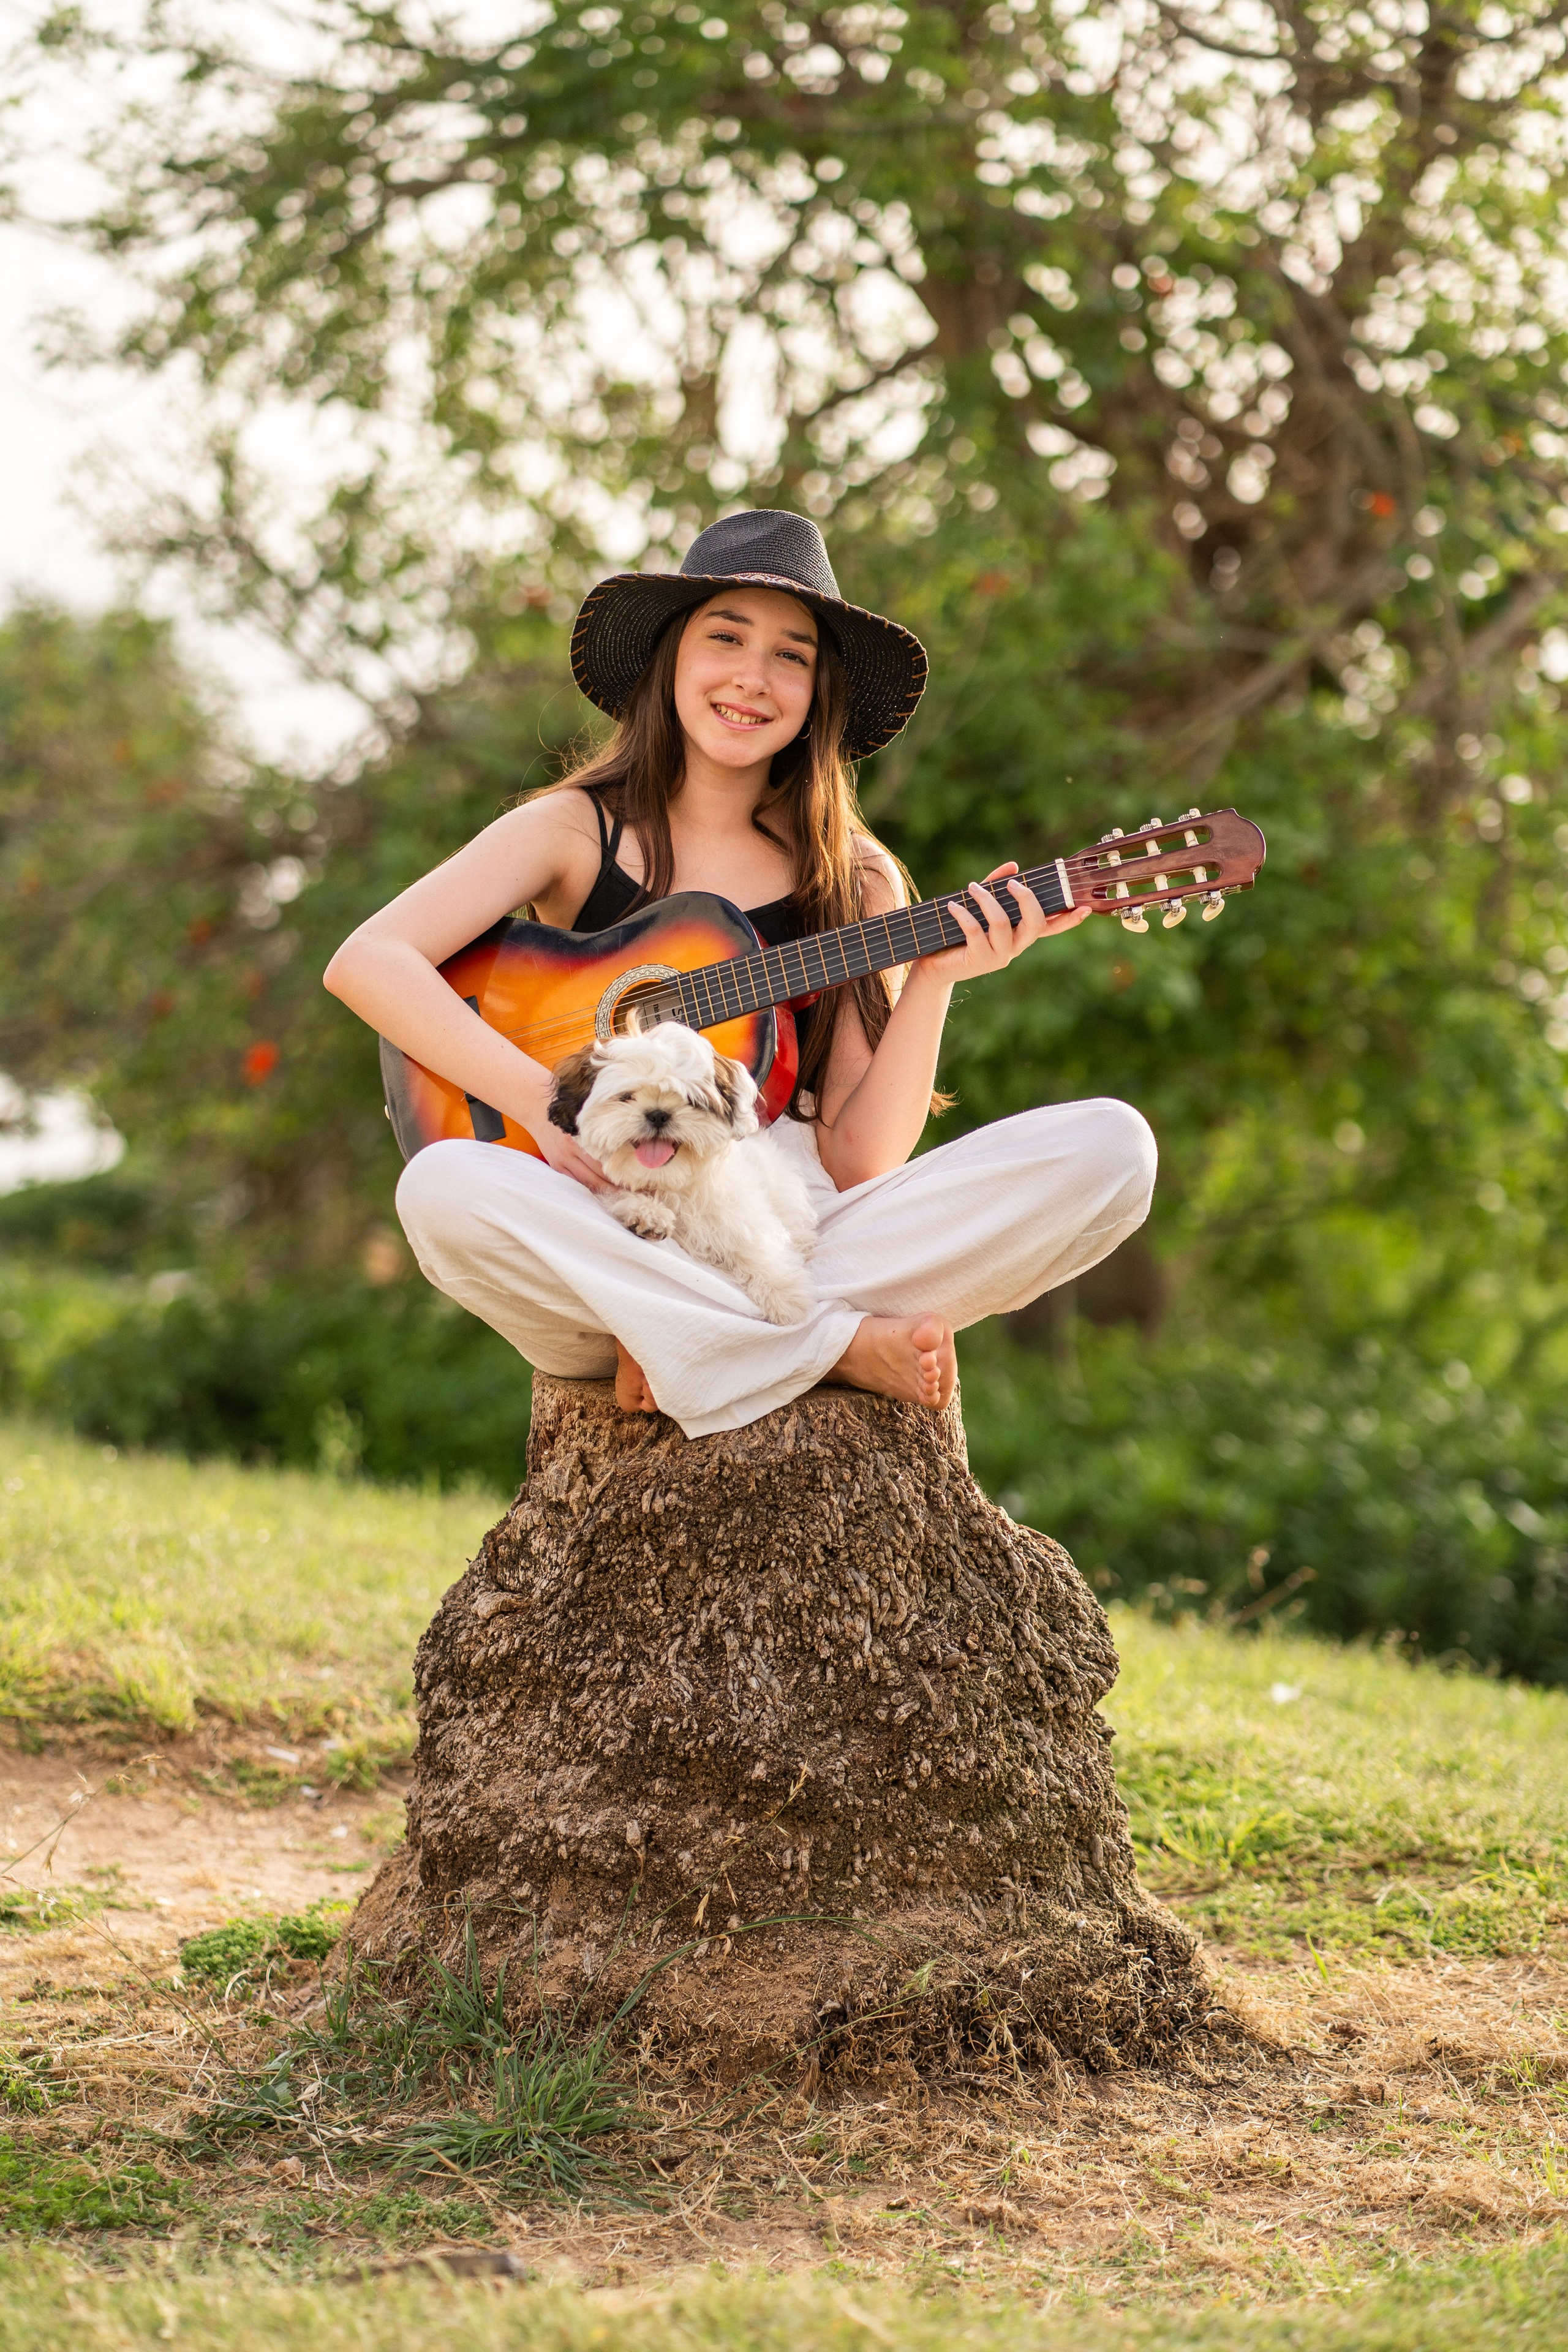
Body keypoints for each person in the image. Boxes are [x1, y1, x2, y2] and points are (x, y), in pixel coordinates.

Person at [324, 510, 1156, 1438]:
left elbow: (858, 1162)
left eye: (792, 656)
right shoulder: (575, 830)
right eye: (726, 637)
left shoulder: (855, 874)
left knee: (1114, 1150)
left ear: (819, 692)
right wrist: (541, 1110)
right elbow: (368, 963)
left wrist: (936, 981)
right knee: (441, 1191)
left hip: (778, 1228)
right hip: (598, 1212)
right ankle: (827, 1347)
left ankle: (685, 1332)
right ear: (672, 657)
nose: (753, 679)